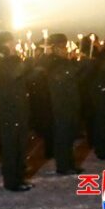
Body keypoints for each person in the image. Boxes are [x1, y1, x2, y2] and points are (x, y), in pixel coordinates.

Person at [0, 31, 35, 191]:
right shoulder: (1, 61)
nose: (14, 45)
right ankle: (12, 181)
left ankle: (18, 177)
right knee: (12, 145)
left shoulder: (8, 60)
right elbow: (16, 72)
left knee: (19, 144)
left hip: (17, 108)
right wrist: (28, 61)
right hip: (9, 110)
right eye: (11, 42)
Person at [40, 33, 84, 174]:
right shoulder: (54, 62)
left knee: (69, 136)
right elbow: (68, 75)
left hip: (69, 102)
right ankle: (64, 165)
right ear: (55, 47)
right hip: (60, 104)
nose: (65, 49)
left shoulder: (63, 61)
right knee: (63, 136)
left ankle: (69, 163)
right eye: (61, 46)